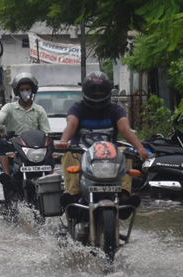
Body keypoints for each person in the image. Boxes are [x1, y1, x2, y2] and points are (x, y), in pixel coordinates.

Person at [55, 71, 148, 208]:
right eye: (94, 91)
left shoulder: (116, 109)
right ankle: (73, 196)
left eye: (100, 91)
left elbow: (125, 129)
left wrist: (140, 148)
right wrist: (64, 142)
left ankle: (124, 195)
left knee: (126, 153)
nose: (97, 94)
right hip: (82, 155)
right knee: (69, 154)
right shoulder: (77, 108)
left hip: (109, 157)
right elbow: (71, 125)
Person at [0, 73, 51, 181]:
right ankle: (7, 177)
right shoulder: (9, 108)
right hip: (14, 147)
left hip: (34, 149)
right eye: (22, 90)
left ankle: (50, 180)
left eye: (27, 89)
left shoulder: (39, 110)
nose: (25, 92)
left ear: (33, 90)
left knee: (51, 151)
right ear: (17, 92)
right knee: (1, 144)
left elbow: (46, 131)